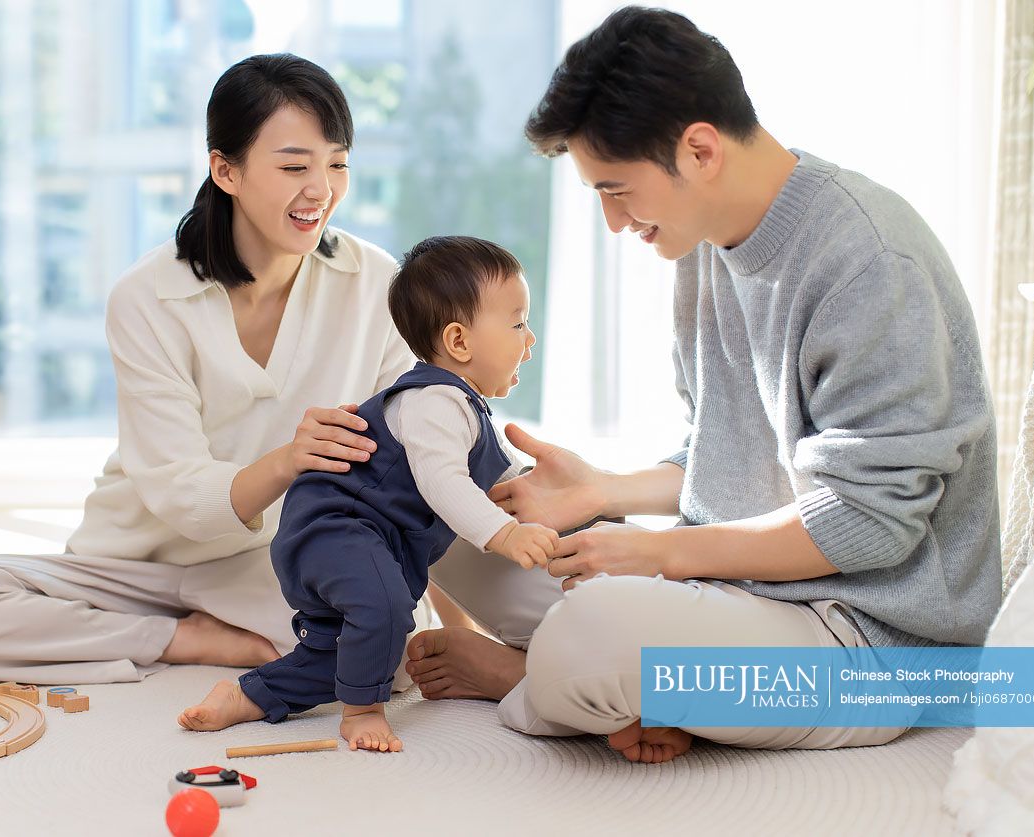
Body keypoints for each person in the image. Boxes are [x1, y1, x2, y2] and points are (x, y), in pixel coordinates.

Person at [401, 6, 1001, 763]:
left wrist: (658, 558)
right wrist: (602, 492)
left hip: (870, 642)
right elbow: (722, 454)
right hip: (746, 593)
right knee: (450, 518)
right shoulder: (702, 244)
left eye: (617, 190)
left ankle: (526, 672)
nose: (614, 222)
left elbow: (868, 523)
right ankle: (616, 682)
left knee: (594, 634)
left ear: (699, 149)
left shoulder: (868, 263)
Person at [0, 54, 446, 685]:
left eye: (337, 164)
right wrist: (289, 459)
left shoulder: (377, 284)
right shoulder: (147, 295)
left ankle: (208, 633)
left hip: (271, 563)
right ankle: (181, 639)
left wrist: (445, 617)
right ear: (225, 170)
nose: (321, 190)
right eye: (294, 166)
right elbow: (183, 498)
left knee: (388, 657)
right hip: (131, 565)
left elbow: (417, 462)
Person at [176, 236, 556, 751]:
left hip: (368, 540)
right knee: (385, 609)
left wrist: (547, 500)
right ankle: (362, 712)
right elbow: (446, 485)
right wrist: (506, 534)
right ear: (460, 342)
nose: (529, 339)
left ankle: (250, 696)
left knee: (353, 649)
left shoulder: (463, 410)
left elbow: (502, 483)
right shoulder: (435, 401)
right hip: (337, 526)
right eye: (518, 323)